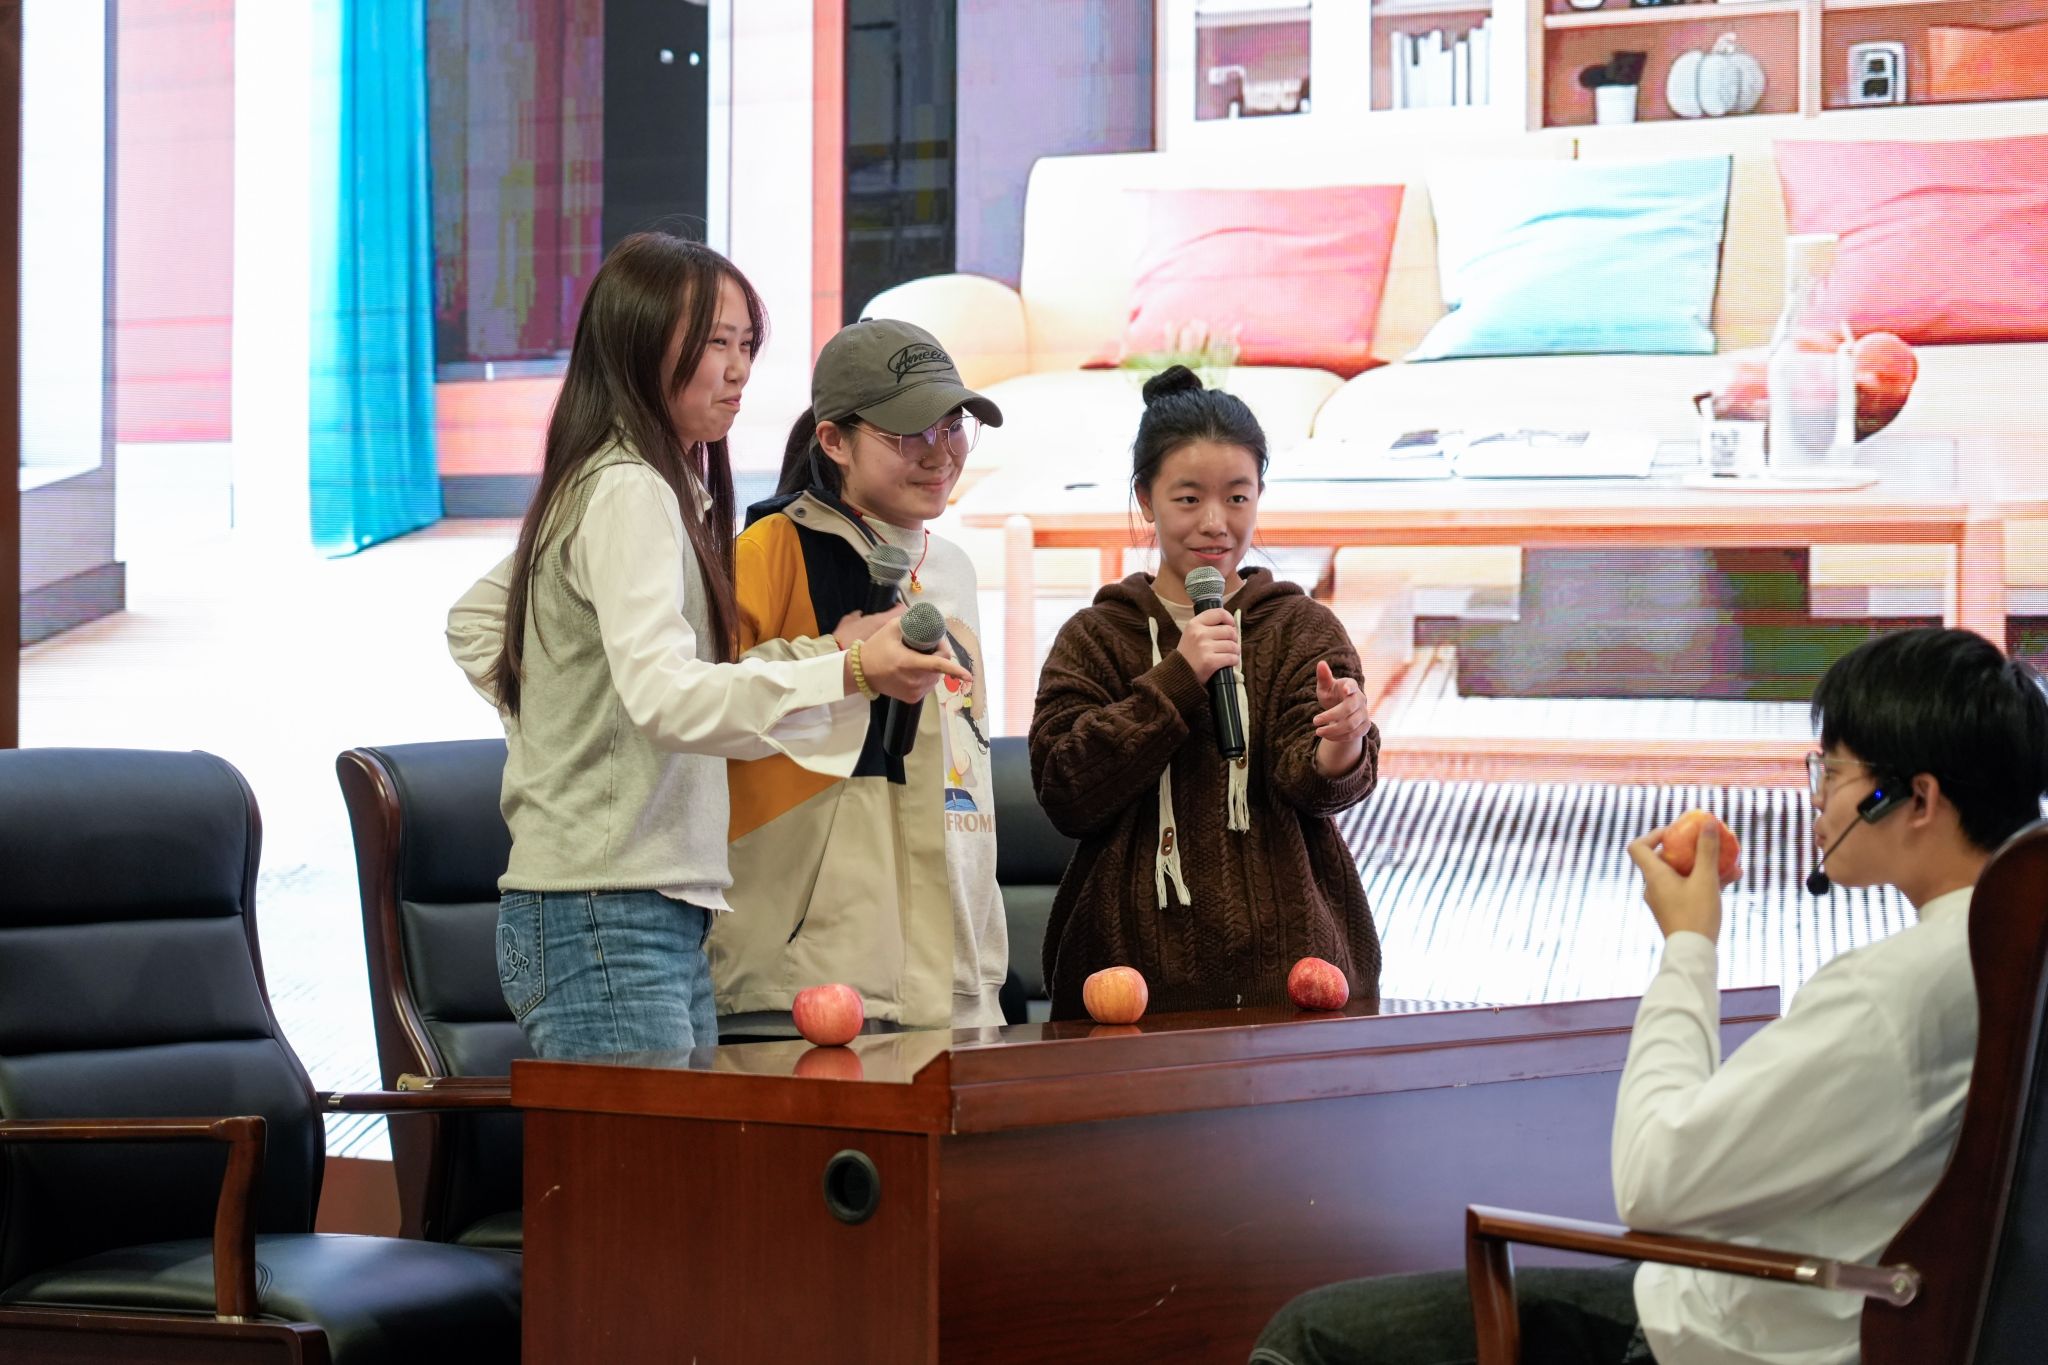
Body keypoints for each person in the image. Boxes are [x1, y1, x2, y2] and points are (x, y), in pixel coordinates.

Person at [1252, 625, 2048, 1365]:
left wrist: (1688, 942)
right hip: (1843, 1311)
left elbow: (1653, 1182)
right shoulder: (2007, 962)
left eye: (1833, 772)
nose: (1817, 794)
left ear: (1917, 799)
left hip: (1723, 1336)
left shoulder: (1891, 993)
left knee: (1307, 1335)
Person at [444, 234, 965, 1060]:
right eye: (716, 342)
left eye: (746, 343)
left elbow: (479, 623)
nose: (738, 369)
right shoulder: (627, 487)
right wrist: (850, 667)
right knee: (652, 1152)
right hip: (606, 908)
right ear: (639, 341)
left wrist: (576, 722)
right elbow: (668, 698)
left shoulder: (638, 483)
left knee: (678, 1148)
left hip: (643, 907)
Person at [1028, 365, 1382, 1020]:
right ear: (1146, 499)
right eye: (1189, 499)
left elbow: (1317, 785)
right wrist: (1176, 678)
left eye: (1238, 498)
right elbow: (1066, 790)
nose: (1216, 523)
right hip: (1126, 986)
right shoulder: (1096, 636)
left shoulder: (1300, 627)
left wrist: (1343, 742)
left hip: (1292, 978)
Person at [711, 318, 1010, 1035]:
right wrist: (838, 659)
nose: (938, 452)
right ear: (834, 441)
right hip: (813, 975)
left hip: (957, 968)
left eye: (953, 426)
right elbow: (697, 707)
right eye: (909, 433)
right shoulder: (770, 549)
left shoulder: (954, 568)